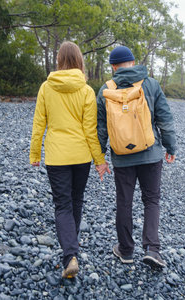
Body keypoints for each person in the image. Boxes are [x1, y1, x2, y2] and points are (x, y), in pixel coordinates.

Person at [30, 41, 110, 279]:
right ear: (79, 61)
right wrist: (99, 160)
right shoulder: (85, 90)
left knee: (62, 204)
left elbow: (39, 123)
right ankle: (71, 249)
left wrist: (35, 153)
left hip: (57, 156)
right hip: (81, 156)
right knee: (76, 201)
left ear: (59, 60)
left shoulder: (46, 87)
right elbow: (90, 130)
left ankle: (69, 254)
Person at [96, 45, 176, 268]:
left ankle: (126, 250)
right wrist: (171, 148)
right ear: (133, 62)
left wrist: (99, 158)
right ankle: (152, 249)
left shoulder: (106, 89)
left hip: (122, 157)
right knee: (151, 199)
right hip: (151, 154)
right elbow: (165, 119)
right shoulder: (150, 84)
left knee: (124, 202)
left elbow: (100, 128)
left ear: (113, 67)